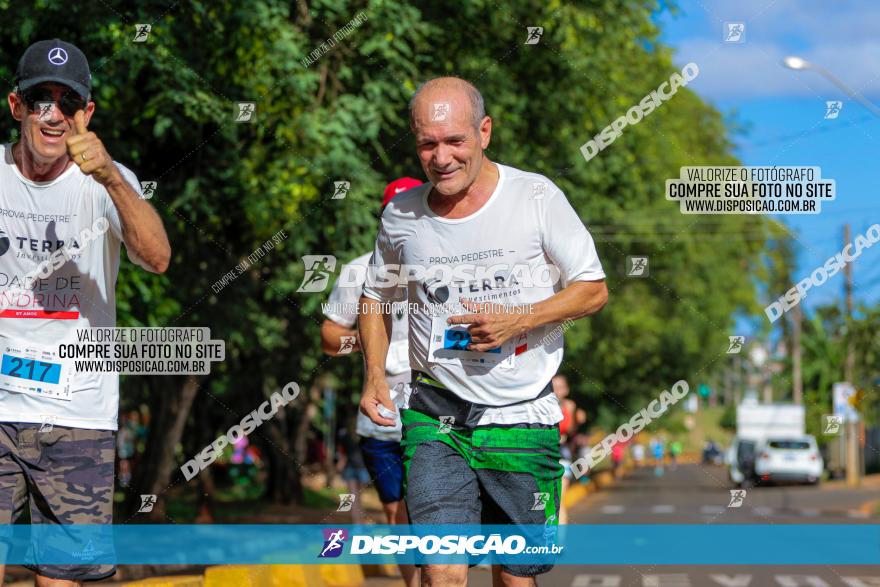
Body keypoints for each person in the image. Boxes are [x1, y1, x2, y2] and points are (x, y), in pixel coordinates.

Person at [359, 77, 608, 586]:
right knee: (442, 567)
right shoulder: (400, 217)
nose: (441, 157)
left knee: (515, 573)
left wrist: (520, 318)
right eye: (428, 143)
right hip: (435, 413)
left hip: (520, 411)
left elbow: (592, 289)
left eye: (455, 141)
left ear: (485, 132)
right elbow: (374, 298)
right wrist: (374, 379)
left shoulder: (535, 196)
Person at [0, 39, 171, 586]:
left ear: (87, 114)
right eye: (39, 99)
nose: (53, 114)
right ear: (16, 106)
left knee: (63, 578)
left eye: (67, 101)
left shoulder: (108, 183)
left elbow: (157, 258)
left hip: (76, 417)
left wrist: (112, 180)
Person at [321, 177, 421, 587]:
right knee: (398, 515)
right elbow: (329, 339)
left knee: (433, 512)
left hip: (435, 412)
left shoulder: (448, 265)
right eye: (394, 215)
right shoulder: (360, 269)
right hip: (379, 417)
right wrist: (365, 341)